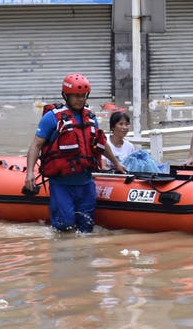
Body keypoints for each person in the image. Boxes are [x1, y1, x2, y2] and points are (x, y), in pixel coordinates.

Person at [25, 73, 126, 234]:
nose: (80, 99)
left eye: (83, 95)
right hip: (61, 185)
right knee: (64, 226)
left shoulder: (91, 117)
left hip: (86, 184)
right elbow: (36, 145)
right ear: (66, 95)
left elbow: (101, 143)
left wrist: (116, 163)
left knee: (86, 228)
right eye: (76, 96)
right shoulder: (52, 118)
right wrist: (29, 173)